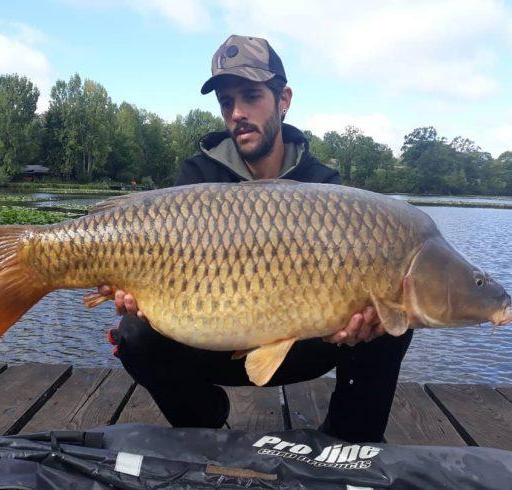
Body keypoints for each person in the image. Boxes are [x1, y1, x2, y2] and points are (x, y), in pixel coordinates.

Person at [100, 35, 413, 442]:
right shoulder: (198, 176)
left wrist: (359, 322)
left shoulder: (324, 187)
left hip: (303, 344)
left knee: (395, 313)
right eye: (227, 102)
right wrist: (134, 290)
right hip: (211, 340)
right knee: (134, 334)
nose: (237, 113)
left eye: (251, 96)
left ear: (284, 98)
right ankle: (203, 420)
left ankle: (352, 438)